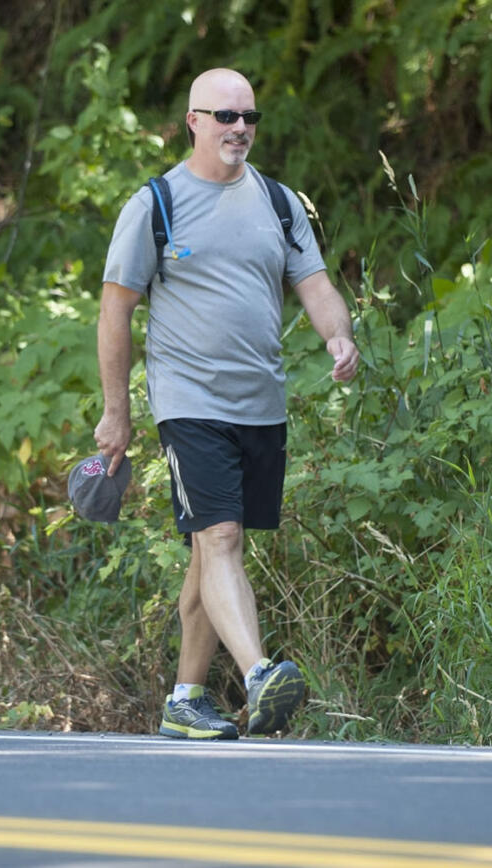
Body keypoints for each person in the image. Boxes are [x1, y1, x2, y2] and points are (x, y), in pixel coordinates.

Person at [94, 68, 359, 740]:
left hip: (261, 404)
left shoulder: (276, 200)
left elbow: (315, 282)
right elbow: (115, 311)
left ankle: (185, 699)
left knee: (209, 558)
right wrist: (116, 409)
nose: (239, 128)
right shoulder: (156, 204)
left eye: (249, 117)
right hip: (188, 400)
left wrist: (339, 336)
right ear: (193, 121)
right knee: (220, 537)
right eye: (224, 117)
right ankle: (259, 671)